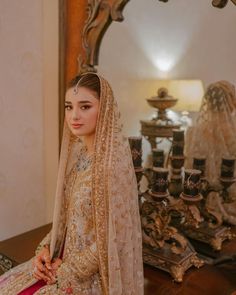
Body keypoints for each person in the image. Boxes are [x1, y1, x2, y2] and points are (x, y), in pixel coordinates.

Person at [0, 73, 144, 294]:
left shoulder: (112, 166)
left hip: (88, 276)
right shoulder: (78, 157)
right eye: (69, 107)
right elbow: (66, 220)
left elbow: (114, 238)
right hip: (59, 258)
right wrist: (44, 251)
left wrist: (67, 271)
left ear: (104, 110)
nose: (74, 115)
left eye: (85, 107)